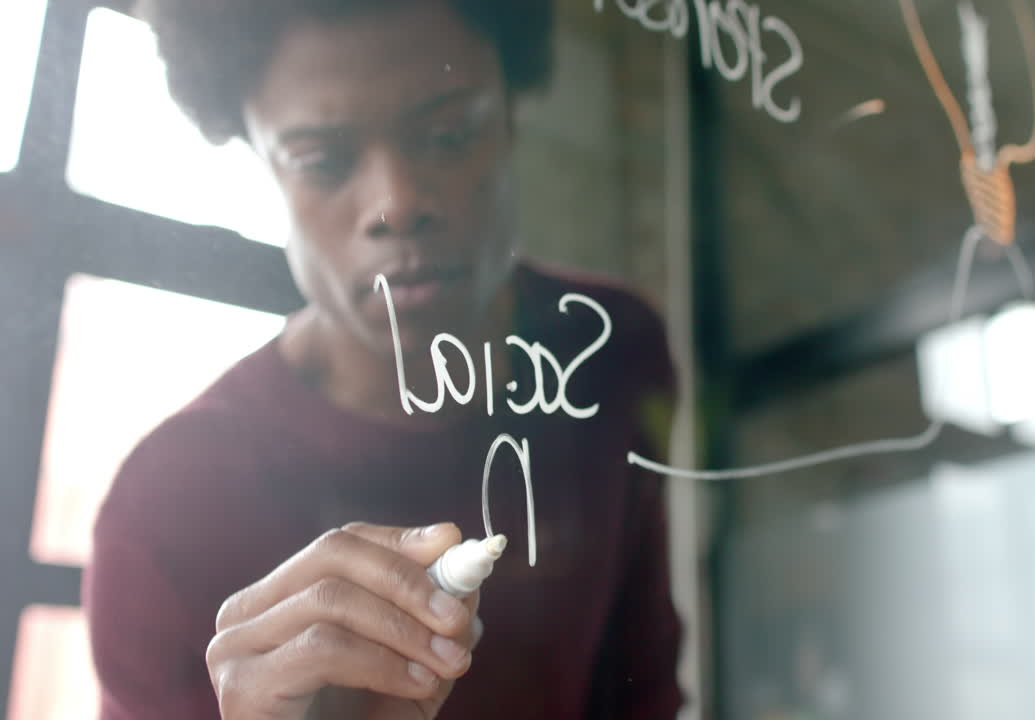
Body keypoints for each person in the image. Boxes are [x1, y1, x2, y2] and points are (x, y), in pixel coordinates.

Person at [81, 1, 683, 718]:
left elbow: (642, 692)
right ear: (263, 164)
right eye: (323, 162)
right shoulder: (167, 507)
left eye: (450, 134)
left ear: (511, 116)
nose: (396, 202)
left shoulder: (610, 348)